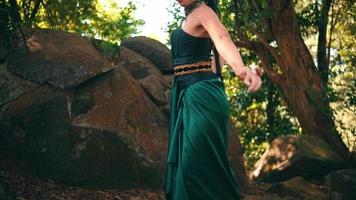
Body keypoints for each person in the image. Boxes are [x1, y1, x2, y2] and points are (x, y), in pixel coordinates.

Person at [164, 0, 262, 199]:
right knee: (190, 167)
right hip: (187, 95)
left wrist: (242, 70)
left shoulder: (204, 11)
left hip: (202, 96)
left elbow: (222, 38)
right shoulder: (191, 16)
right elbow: (215, 66)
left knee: (195, 165)